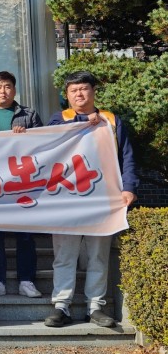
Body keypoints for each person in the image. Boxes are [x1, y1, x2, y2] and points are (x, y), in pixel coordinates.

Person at [44, 71, 138, 328]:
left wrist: (129, 187)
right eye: (73, 90)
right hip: (66, 199)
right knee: (65, 254)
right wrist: (83, 121)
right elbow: (49, 142)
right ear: (67, 95)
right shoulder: (59, 119)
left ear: (94, 91)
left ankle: (95, 306)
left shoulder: (111, 121)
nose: (79, 94)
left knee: (98, 254)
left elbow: (127, 157)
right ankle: (61, 305)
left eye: (84, 89)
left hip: (103, 198)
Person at [0, 71, 44, 298]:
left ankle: (27, 281)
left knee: (25, 235)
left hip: (22, 184)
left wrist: (27, 136)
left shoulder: (29, 115)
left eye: (7, 87)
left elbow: (44, 145)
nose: (3, 91)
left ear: (14, 90)